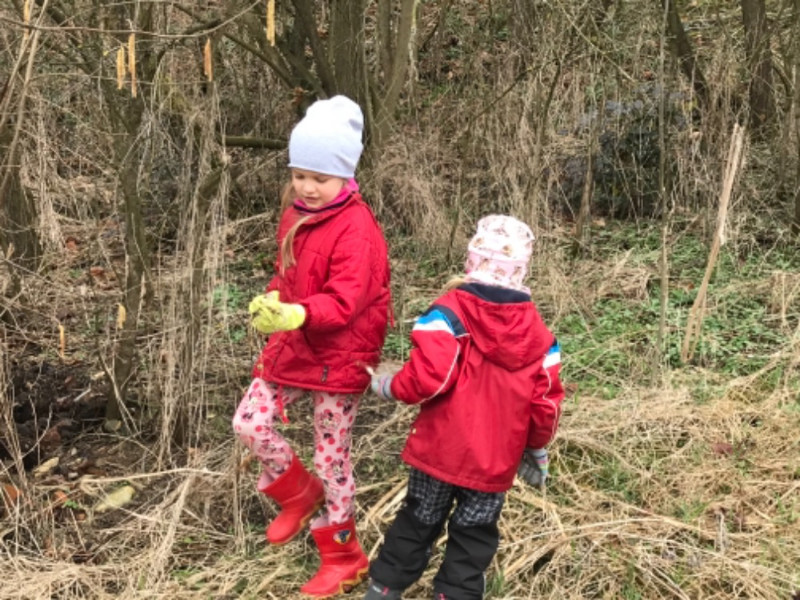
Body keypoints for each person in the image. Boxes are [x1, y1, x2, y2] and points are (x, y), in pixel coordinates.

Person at [232, 95, 392, 598]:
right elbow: (288, 275)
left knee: (332, 457)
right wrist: (273, 300)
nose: (306, 187)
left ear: (345, 175)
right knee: (249, 423)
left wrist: (298, 313)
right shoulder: (295, 214)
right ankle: (299, 494)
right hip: (296, 343)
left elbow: (345, 301)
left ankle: (344, 555)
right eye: (299, 174)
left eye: (319, 178)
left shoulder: (358, 229)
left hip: (341, 353)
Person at [363, 215, 564, 600]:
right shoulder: (540, 336)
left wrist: (389, 385)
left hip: (440, 450)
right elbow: (545, 406)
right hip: (494, 461)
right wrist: (536, 447)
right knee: (474, 535)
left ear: (471, 262)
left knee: (418, 518)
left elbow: (429, 378)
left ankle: (385, 588)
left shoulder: (447, 313)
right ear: (521, 272)